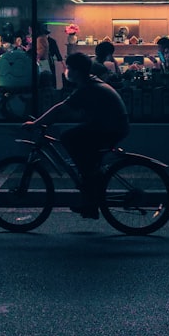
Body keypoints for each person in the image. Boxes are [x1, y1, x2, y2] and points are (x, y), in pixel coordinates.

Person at [24, 52, 129, 219]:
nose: (67, 72)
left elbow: (61, 108)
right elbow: (68, 110)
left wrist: (36, 123)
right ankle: (91, 194)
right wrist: (47, 120)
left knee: (69, 138)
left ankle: (90, 182)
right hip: (111, 125)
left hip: (111, 127)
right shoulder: (90, 82)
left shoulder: (87, 87)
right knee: (78, 143)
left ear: (78, 71)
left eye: (70, 69)